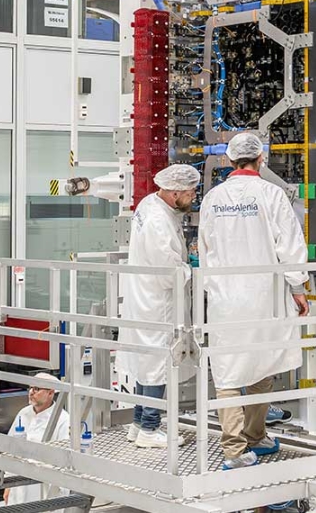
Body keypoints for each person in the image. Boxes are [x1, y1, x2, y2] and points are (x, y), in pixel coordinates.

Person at [198, 132, 309, 470]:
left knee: (228, 374)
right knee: (265, 364)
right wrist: (299, 287)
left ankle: (238, 447)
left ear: (230, 161)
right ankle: (253, 435)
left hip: (225, 300)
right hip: (265, 298)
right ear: (261, 159)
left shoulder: (213, 198)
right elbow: (289, 244)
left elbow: (205, 249)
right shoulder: (272, 194)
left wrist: (212, 288)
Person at [116, 163, 201, 449]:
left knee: (146, 363)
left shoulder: (150, 204)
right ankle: (150, 430)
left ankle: (139, 424)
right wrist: (193, 268)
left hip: (144, 298)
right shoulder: (157, 220)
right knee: (157, 365)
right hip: (157, 301)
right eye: (191, 192)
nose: (194, 197)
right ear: (175, 192)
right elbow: (168, 273)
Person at [3, 373, 70, 506]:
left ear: (50, 393)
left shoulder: (63, 420)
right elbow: (11, 450)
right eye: (30, 388)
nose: (31, 392)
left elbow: (64, 462)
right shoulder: (23, 413)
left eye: (37, 389)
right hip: (19, 485)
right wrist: (8, 484)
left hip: (45, 488)